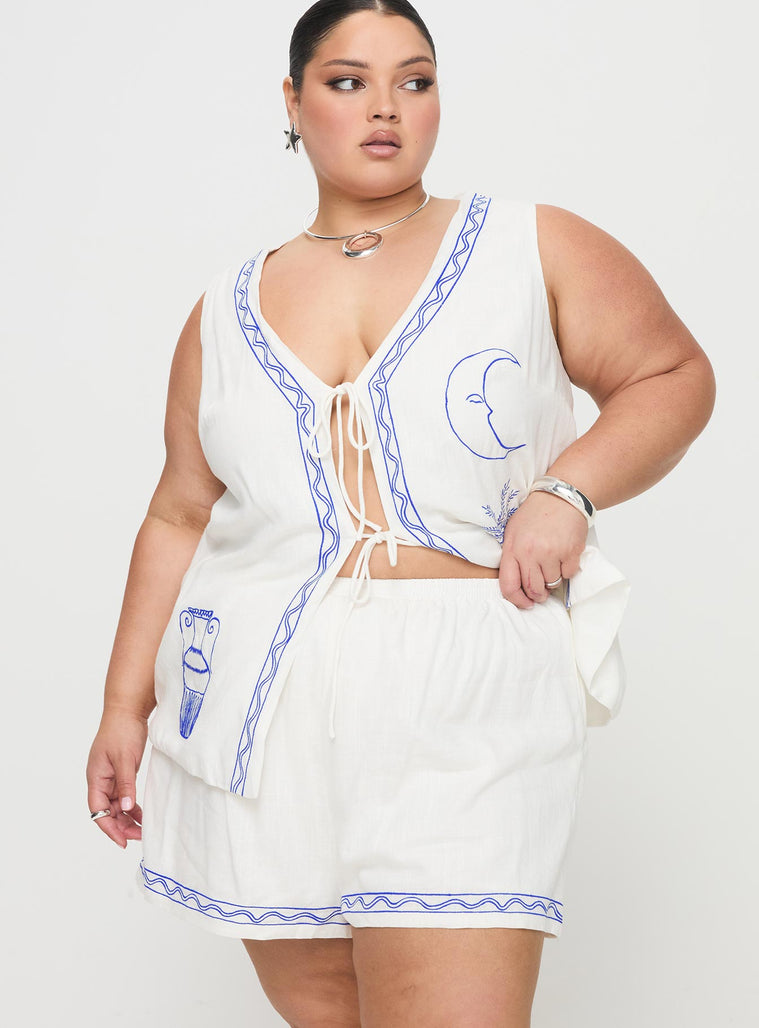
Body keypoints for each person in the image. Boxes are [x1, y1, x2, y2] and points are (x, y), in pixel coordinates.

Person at [85, 1, 715, 1024]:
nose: (386, 106)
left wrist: (566, 489)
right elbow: (180, 512)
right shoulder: (223, 310)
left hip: (465, 690)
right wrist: (124, 706)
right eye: (348, 81)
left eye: (413, 81)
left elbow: (672, 375)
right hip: (262, 706)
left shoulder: (528, 245)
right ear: (293, 101)